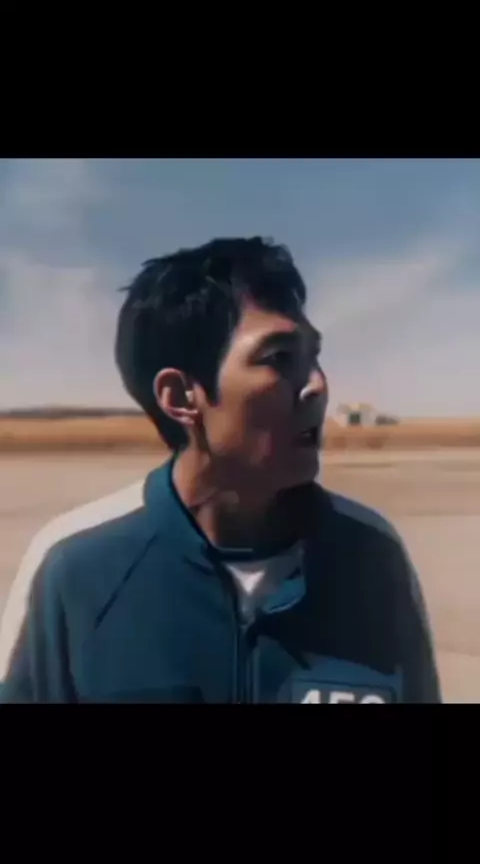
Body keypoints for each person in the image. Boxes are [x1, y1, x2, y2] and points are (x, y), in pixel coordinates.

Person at [0, 237, 441, 703]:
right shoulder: (76, 569)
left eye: (313, 356)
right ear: (180, 397)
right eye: (279, 358)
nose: (317, 385)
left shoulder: (372, 559)